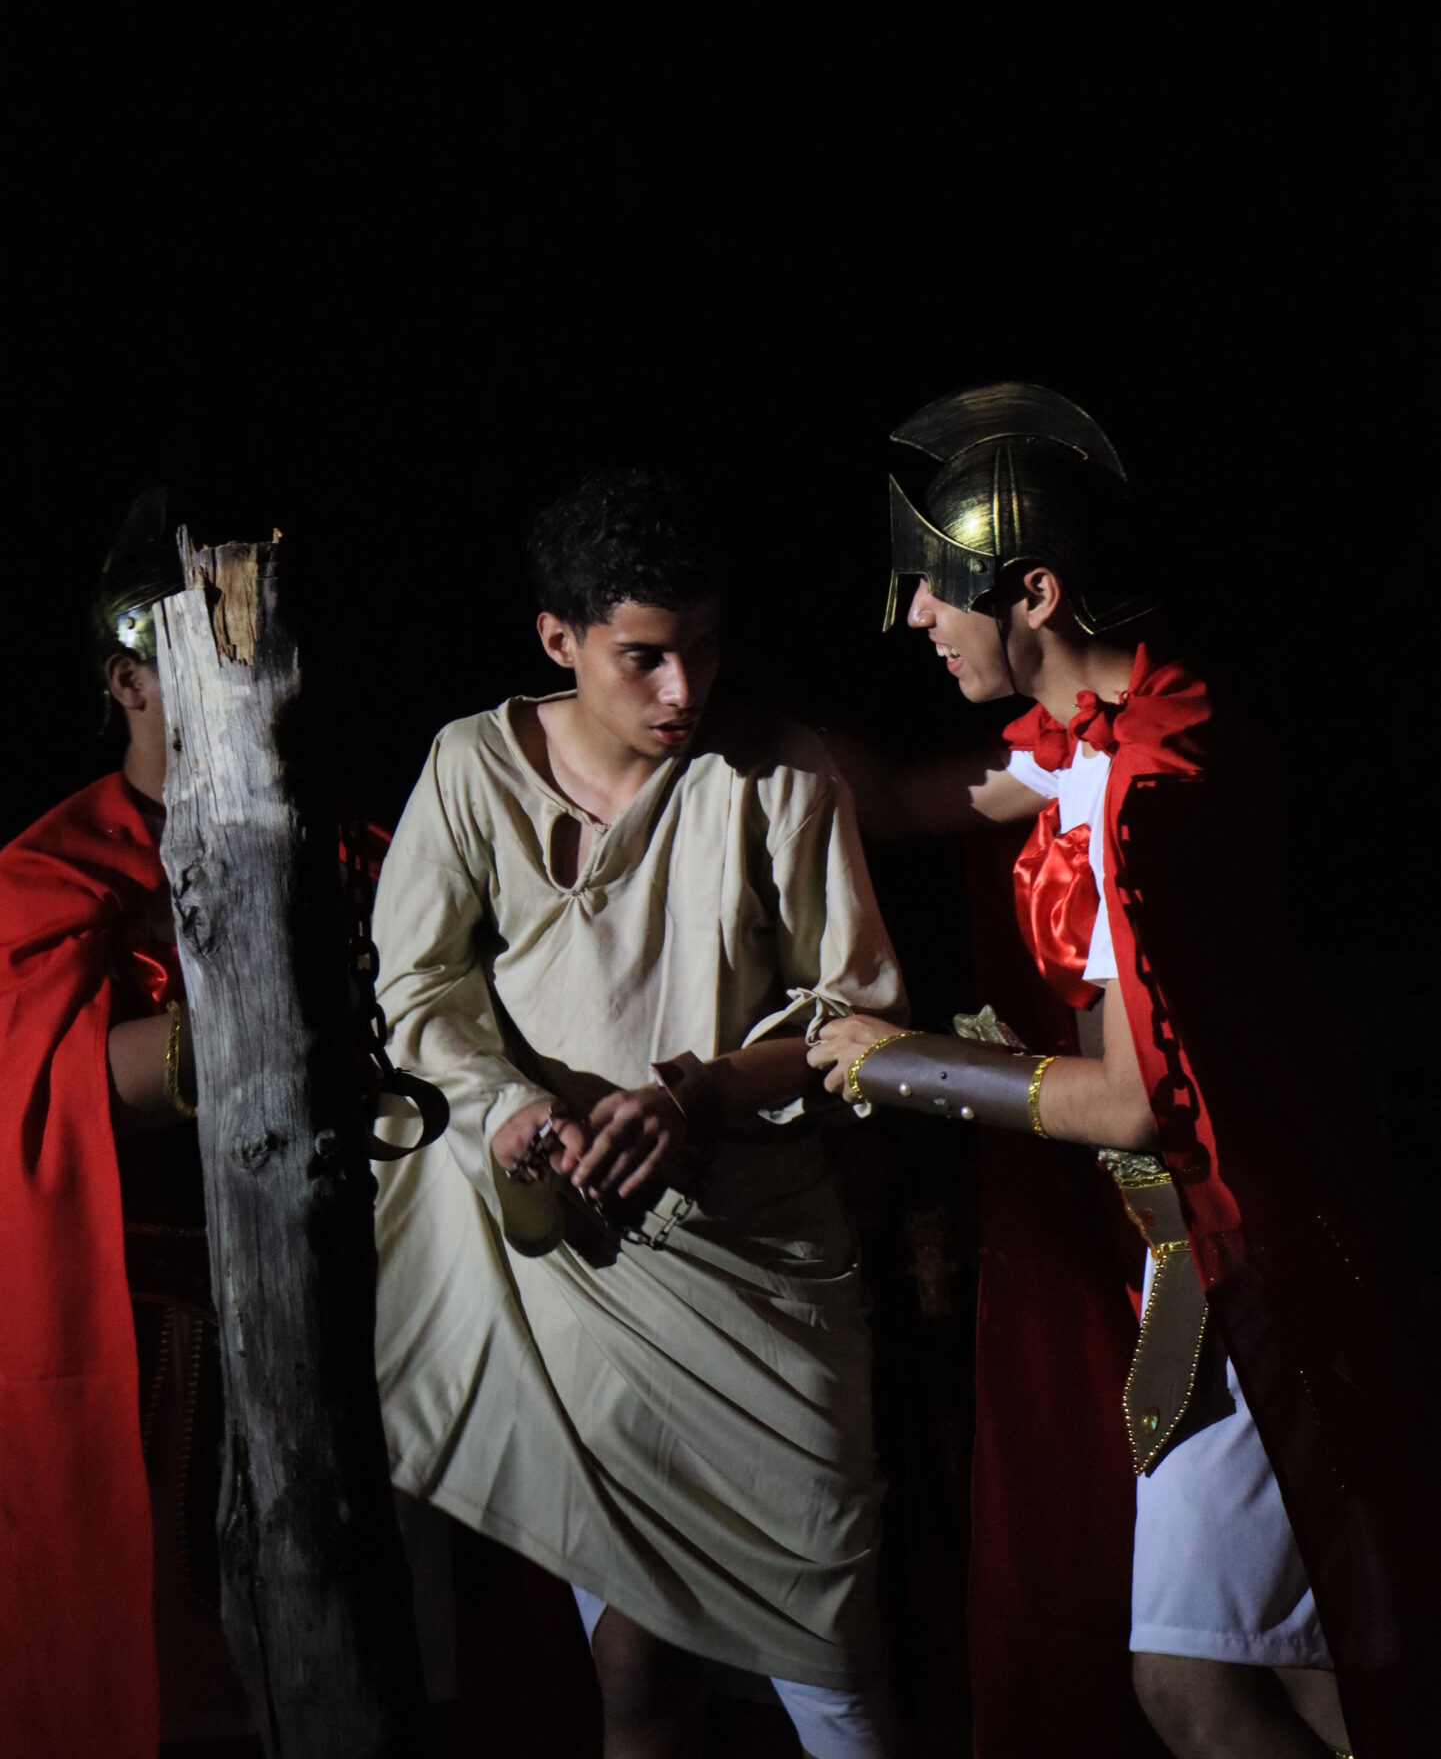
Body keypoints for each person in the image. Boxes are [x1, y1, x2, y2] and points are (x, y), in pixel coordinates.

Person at [807, 384, 1364, 1758]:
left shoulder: (1141, 788)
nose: (916, 617)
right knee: (1305, 1676)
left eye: (938, 590)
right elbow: (899, 799)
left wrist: (898, 1064)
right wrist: (722, 725)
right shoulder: (1100, 735)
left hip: (1241, 1271)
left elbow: (1133, 1100)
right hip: (1212, 1261)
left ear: (1035, 593)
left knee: (1194, 1687)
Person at [370, 467, 907, 1759]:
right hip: (584, 1267)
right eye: (645, 658)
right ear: (558, 640)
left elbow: (851, 1019)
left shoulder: (776, 772)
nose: (684, 690)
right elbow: (416, 990)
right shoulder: (469, 766)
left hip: (759, 1264)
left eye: (704, 649)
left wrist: (700, 1091)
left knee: (833, 1649)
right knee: (633, 1655)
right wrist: (507, 1110)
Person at [0, 490, 248, 1758]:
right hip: (146, 1320)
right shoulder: (51, 873)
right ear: (129, 680)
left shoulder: (347, 848)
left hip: (353, 1294)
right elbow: (44, 1090)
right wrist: (257, 1023)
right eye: (209, 654)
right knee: (163, 1662)